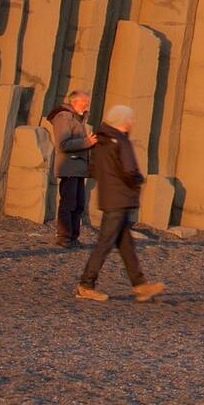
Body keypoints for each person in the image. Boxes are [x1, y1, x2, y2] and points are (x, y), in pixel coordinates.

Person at [75, 105, 164, 303]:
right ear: (123, 121)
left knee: (125, 244)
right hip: (120, 197)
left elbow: (94, 169)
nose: (132, 122)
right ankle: (86, 285)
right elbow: (129, 169)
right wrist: (138, 180)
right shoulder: (120, 140)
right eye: (130, 119)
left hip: (110, 196)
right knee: (105, 243)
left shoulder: (101, 139)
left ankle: (140, 285)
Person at [46, 91, 98, 248]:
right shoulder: (64, 117)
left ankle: (73, 237)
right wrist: (86, 142)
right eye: (84, 101)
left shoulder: (77, 118)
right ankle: (64, 237)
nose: (87, 105)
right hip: (68, 168)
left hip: (78, 169)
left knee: (79, 204)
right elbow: (63, 144)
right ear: (74, 101)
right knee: (68, 203)